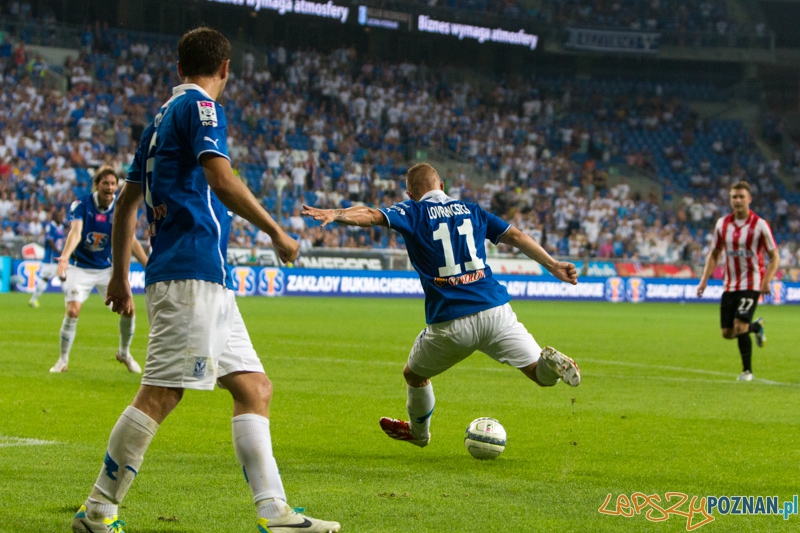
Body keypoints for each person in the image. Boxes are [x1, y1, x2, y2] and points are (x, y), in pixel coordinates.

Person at [71, 28, 340, 533]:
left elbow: (127, 203)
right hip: (190, 272)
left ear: (179, 68)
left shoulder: (157, 122)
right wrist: (277, 230)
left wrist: (121, 278)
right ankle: (98, 510)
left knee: (255, 388)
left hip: (206, 278)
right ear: (225, 69)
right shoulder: (201, 110)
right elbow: (220, 177)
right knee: (162, 393)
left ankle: (275, 512)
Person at [302, 162, 581, 449]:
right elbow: (517, 236)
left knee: (415, 374)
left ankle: (419, 433)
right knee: (540, 375)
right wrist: (553, 264)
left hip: (452, 322)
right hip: (496, 313)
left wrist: (336, 213)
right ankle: (550, 364)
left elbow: (372, 215)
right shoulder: (473, 210)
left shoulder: (413, 211)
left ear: (410, 193)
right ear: (442, 186)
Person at [49, 166, 148, 374]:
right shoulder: (81, 205)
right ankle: (62, 360)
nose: (110, 187)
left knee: (128, 309)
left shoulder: (120, 207)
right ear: (97, 185)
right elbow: (75, 233)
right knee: (73, 310)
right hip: (80, 267)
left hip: (106, 269)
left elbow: (130, 240)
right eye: (106, 183)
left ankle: (124, 352)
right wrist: (65, 257)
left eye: (113, 184)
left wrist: (148, 264)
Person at [697, 181, 779, 381]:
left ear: (749, 199)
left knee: (740, 326)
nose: (738, 200)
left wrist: (767, 281)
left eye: (742, 196)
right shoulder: (722, 224)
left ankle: (747, 372)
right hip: (730, 284)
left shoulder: (759, 225)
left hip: (752, 283)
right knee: (727, 332)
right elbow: (715, 253)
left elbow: (774, 255)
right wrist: (704, 280)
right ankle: (756, 327)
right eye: (734, 197)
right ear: (730, 199)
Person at [28, 208, 65, 308]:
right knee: (45, 279)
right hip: (51, 259)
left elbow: (61, 241)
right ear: (55, 217)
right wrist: (59, 252)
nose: (62, 218)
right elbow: (50, 241)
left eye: (62, 216)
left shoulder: (61, 227)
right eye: (60, 216)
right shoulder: (50, 226)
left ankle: (70, 302)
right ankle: (33, 299)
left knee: (64, 278)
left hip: (59, 259)